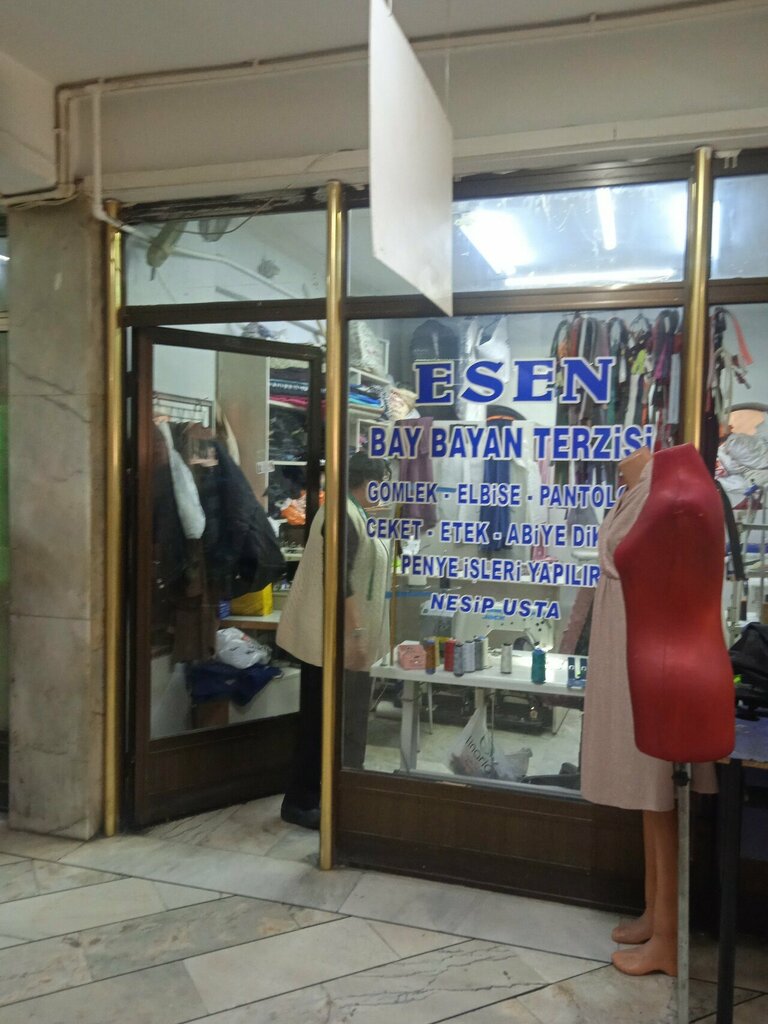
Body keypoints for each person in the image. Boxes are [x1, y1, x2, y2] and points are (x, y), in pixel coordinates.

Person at [581, 446, 722, 976]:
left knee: (661, 795)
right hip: (628, 647)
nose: (621, 462)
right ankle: (652, 912)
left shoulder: (667, 493)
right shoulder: (637, 492)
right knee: (649, 796)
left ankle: (669, 936)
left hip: (651, 654)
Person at [276, 451, 391, 829]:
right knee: (321, 722)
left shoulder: (350, 512)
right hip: (330, 641)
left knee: (328, 720)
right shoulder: (343, 516)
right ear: (367, 483)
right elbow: (339, 580)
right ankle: (301, 802)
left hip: (331, 640)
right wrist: (356, 634)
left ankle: (327, 794)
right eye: (381, 483)